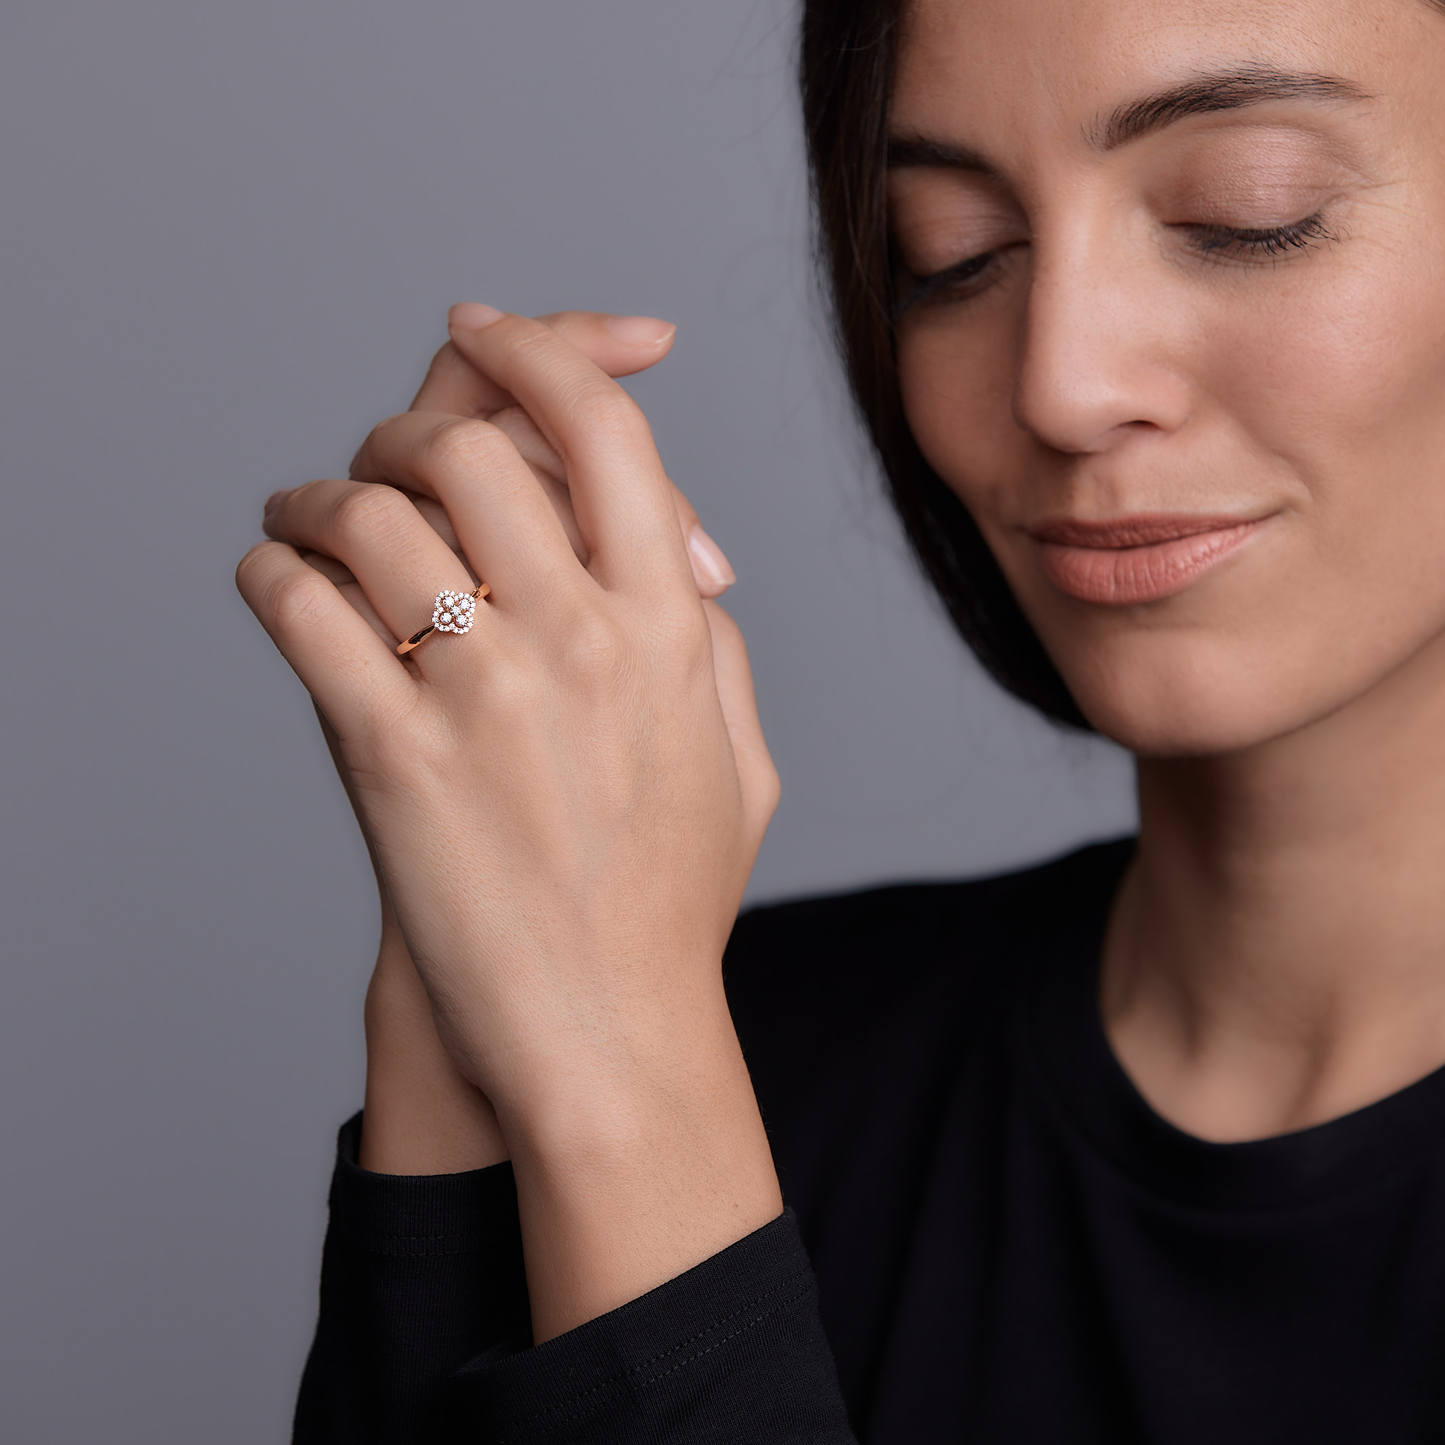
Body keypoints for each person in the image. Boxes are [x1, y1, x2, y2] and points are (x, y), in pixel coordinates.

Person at [236, 0, 1445, 1438]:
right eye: (953, 253)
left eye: (1251, 215)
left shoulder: (658, 1055)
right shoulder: (746, 1042)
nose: (1060, 384)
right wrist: (480, 970)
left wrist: (627, 1092)